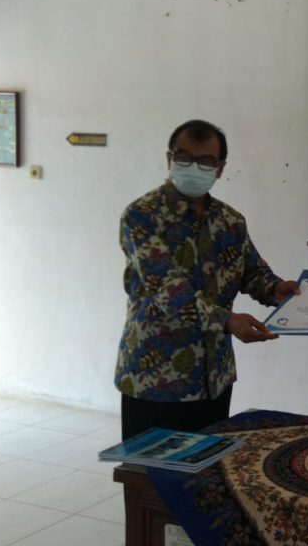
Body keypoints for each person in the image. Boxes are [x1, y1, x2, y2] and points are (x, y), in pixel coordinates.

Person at [115, 119, 298, 440]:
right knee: (149, 470)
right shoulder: (142, 216)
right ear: (170, 159)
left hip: (214, 378)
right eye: (184, 158)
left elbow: (252, 271)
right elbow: (168, 291)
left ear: (220, 168)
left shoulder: (230, 221)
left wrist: (275, 288)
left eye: (205, 161)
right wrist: (227, 321)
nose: (193, 167)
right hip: (155, 379)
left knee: (208, 468)